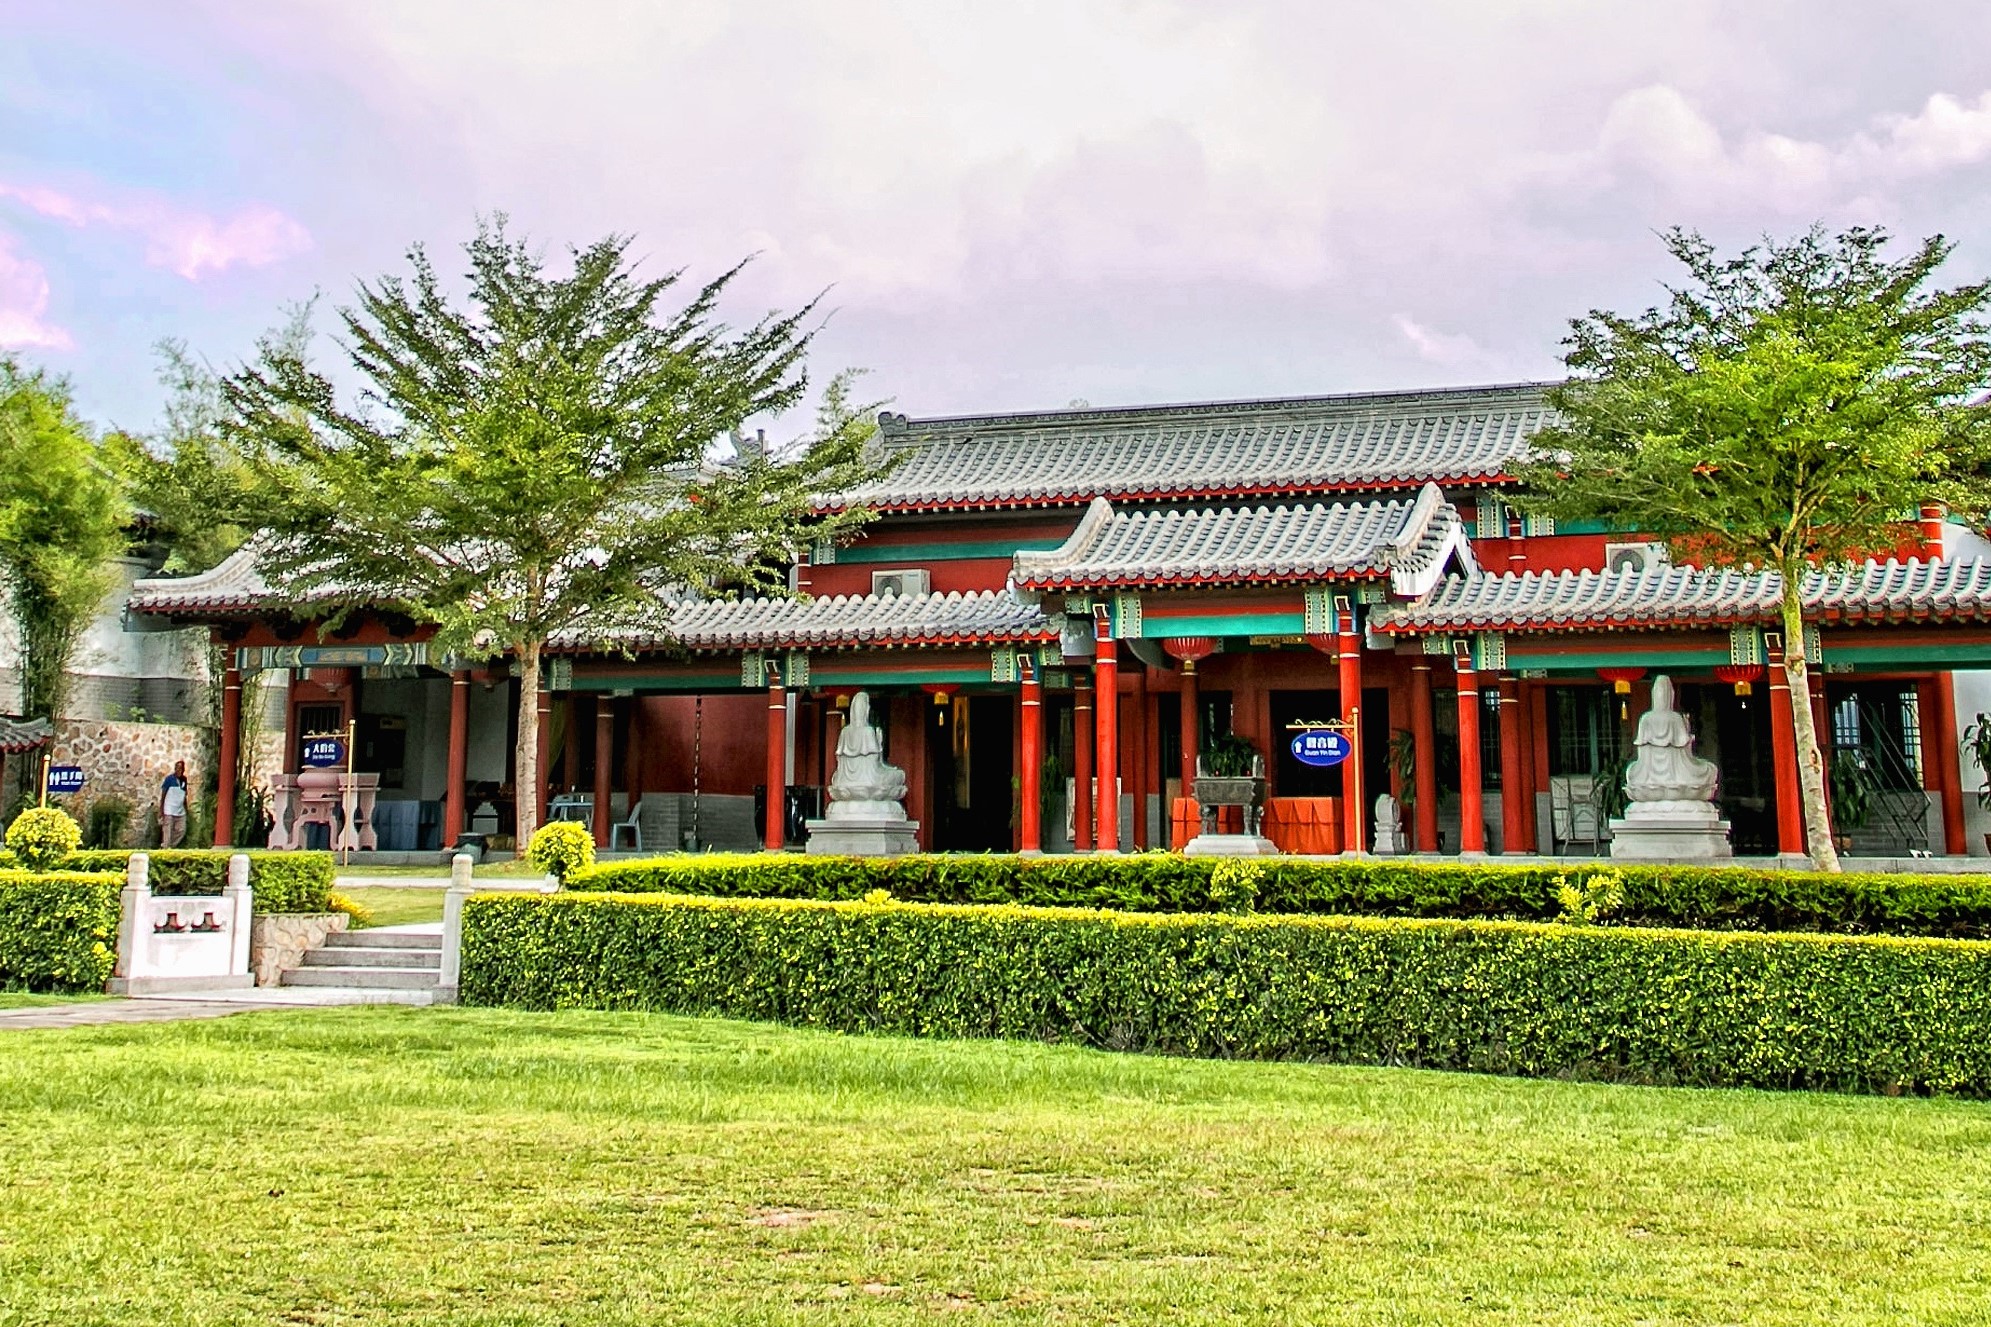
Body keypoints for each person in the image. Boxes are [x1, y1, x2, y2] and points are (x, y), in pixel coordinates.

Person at [159, 760, 189, 848]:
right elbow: (163, 794)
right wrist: (161, 809)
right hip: (169, 809)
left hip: (180, 810)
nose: (179, 770)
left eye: (181, 768)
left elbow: (184, 794)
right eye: (178, 768)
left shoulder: (184, 780)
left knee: (181, 830)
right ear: (175, 769)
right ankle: (166, 847)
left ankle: (170, 846)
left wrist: (186, 808)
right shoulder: (169, 779)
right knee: (167, 831)